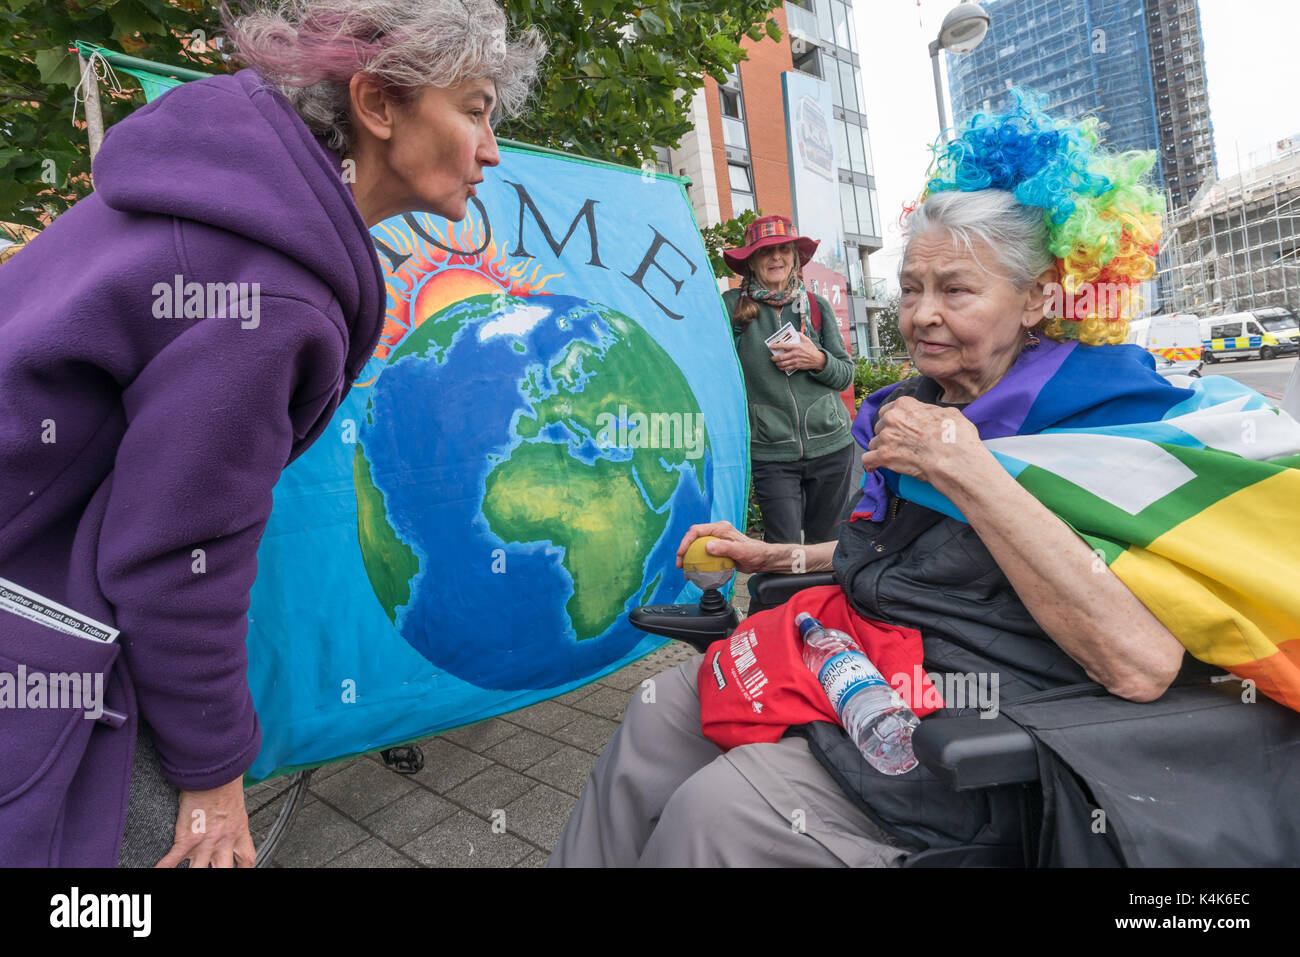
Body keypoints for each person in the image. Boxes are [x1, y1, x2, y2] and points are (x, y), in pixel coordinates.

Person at [547, 94, 1264, 867]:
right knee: (657, 715)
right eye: (911, 288)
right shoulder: (924, 403)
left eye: (954, 290)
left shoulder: (1101, 423)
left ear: (1038, 299)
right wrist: (772, 554)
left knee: (715, 812)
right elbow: (895, 555)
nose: (920, 315)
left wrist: (971, 470)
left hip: (972, 717)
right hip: (861, 658)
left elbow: (1139, 662)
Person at [0, 0, 544, 868]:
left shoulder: (217, 207)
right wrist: (215, 773)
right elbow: (174, 559)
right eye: (475, 108)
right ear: (377, 105)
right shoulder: (268, 288)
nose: (492, 149)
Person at [722, 216, 856, 545]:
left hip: (832, 447)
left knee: (827, 547)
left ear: (795, 257)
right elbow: (716, 376)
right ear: (751, 261)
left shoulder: (815, 306)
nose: (776, 257)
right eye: (766, 251)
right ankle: (782, 600)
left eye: (784, 249)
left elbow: (845, 374)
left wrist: (819, 360)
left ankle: (823, 599)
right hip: (771, 452)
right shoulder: (731, 309)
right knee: (783, 551)